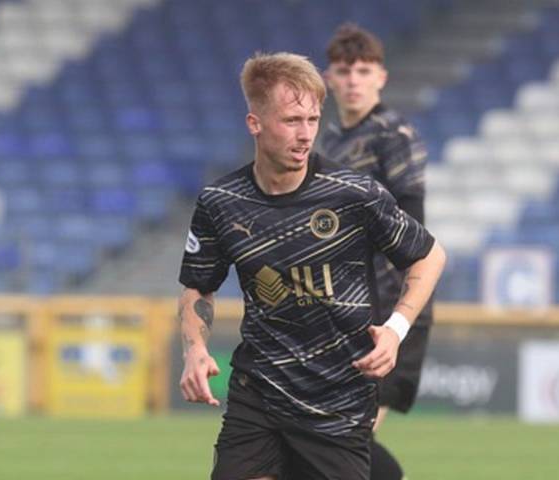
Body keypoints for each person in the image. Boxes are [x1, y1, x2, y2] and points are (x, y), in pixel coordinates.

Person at [178, 51, 445, 480]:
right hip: (258, 396)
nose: (305, 135)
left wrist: (396, 330)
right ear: (255, 124)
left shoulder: (354, 194)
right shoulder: (220, 203)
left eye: (313, 120)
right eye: (291, 121)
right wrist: (194, 349)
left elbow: (429, 255)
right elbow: (197, 286)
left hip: (337, 404)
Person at [317, 23, 432, 480]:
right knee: (335, 440)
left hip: (388, 308)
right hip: (341, 305)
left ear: (381, 76)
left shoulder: (393, 135)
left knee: (343, 442)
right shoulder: (328, 139)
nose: (353, 80)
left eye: (363, 71)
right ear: (328, 77)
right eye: (344, 71)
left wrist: (399, 318)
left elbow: (414, 231)